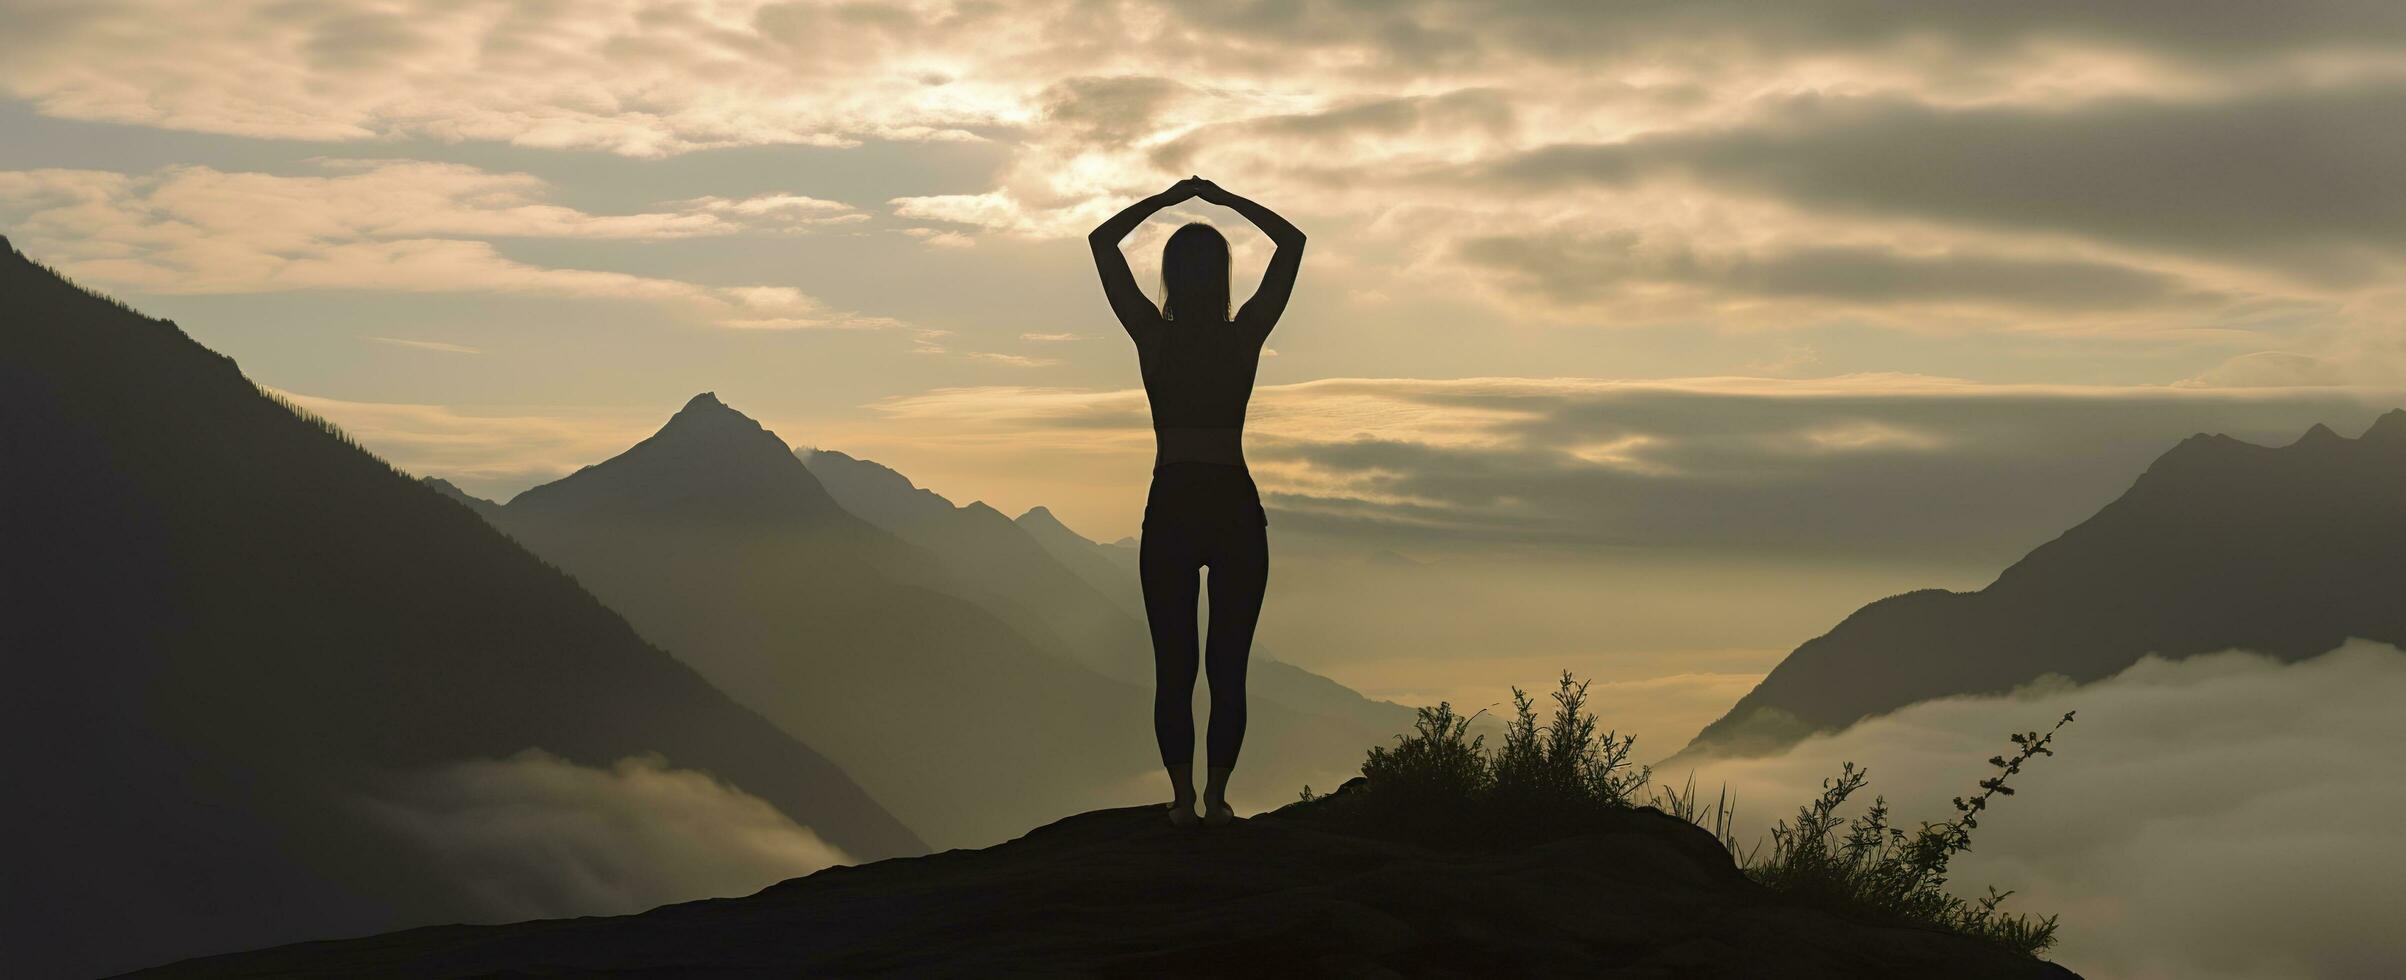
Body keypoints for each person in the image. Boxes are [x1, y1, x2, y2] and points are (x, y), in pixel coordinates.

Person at [1089, 176, 1306, 828]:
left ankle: (1184, 801)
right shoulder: (1243, 341)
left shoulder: (1154, 340)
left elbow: (1102, 243)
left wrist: (1166, 200)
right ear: (1222, 276)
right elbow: (1292, 245)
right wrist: (1225, 201)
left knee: (1175, 666)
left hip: (1175, 507)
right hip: (1235, 508)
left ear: (1171, 277)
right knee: (1228, 667)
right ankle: (1215, 801)